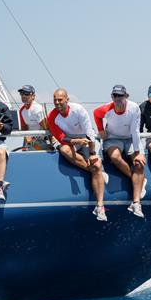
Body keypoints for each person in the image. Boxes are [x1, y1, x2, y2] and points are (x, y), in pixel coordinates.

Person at [47, 89, 109, 222]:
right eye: (55, 100)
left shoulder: (78, 110)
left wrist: (92, 153)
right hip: (72, 141)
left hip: (87, 138)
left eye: (60, 100)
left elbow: (89, 133)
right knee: (65, 150)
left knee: (96, 163)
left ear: (67, 100)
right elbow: (61, 138)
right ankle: (96, 172)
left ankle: (100, 206)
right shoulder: (52, 116)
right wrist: (76, 141)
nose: (57, 103)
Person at [94, 85, 147, 218]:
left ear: (126, 96)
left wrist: (139, 152)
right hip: (112, 138)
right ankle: (138, 181)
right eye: (115, 96)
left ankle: (136, 203)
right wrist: (100, 129)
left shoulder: (134, 108)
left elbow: (135, 131)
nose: (117, 99)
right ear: (112, 97)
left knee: (139, 163)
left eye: (120, 96)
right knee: (115, 157)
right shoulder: (107, 108)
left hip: (130, 138)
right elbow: (96, 114)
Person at [17, 85, 54, 151]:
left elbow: (47, 127)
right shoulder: (21, 111)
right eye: (21, 94)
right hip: (30, 139)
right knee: (24, 154)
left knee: (32, 152)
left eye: (26, 94)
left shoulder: (37, 109)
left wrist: (51, 144)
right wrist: (27, 137)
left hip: (42, 140)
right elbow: (24, 128)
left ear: (33, 96)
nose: (23, 96)